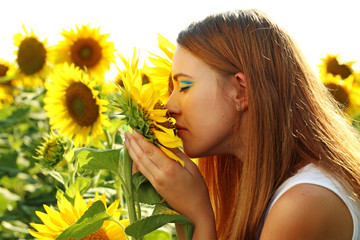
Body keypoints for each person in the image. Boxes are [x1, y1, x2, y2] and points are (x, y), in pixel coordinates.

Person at [124, 9, 360, 239]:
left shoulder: (304, 203)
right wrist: (176, 203)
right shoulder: (257, 186)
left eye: (184, 86)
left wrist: (197, 215)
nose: (168, 106)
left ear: (241, 91)